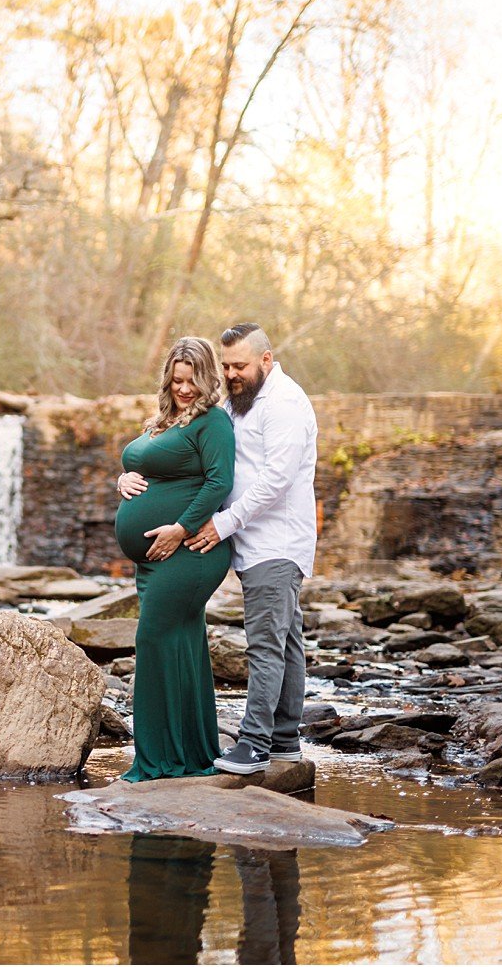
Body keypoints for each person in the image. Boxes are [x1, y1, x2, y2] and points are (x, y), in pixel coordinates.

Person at [182, 322, 318, 775]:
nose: (230, 374)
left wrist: (222, 524)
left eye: (239, 365)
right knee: (287, 642)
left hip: (276, 544)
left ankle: (256, 744)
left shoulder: (283, 404)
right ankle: (285, 741)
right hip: (257, 543)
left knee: (264, 645)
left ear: (265, 359)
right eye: (225, 366)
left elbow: (275, 481)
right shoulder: (239, 401)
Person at [111, 336, 235, 780]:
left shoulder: (213, 422)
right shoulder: (163, 421)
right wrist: (124, 479)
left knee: (153, 639)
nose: (184, 389)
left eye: (192, 381)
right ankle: (191, 753)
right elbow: (144, 466)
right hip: (156, 559)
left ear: (208, 379)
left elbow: (219, 483)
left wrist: (180, 529)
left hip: (190, 552)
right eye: (177, 380)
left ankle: (158, 760)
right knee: (182, 643)